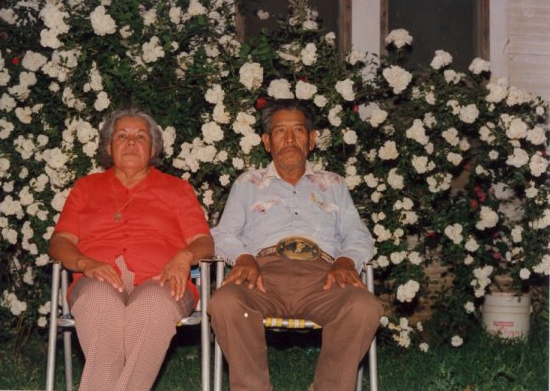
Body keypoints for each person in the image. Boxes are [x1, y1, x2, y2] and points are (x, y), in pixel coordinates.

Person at [208, 99, 382, 391]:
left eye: (298, 130)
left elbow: (359, 236)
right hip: (262, 275)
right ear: (267, 142)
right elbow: (222, 234)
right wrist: (243, 258)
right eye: (280, 132)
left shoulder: (334, 184)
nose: (289, 139)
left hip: (323, 278)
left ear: (311, 140)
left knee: (364, 307)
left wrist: (346, 260)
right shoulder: (248, 183)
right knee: (225, 303)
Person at [48, 105, 214, 391]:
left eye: (140, 137)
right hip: (97, 278)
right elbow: (59, 242)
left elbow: (204, 242)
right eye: (122, 136)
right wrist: (85, 263)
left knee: (151, 308)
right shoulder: (86, 188)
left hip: (162, 279)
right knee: (99, 304)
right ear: (109, 147)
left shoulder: (177, 189)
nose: (130, 143)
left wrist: (185, 256)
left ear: (153, 149)